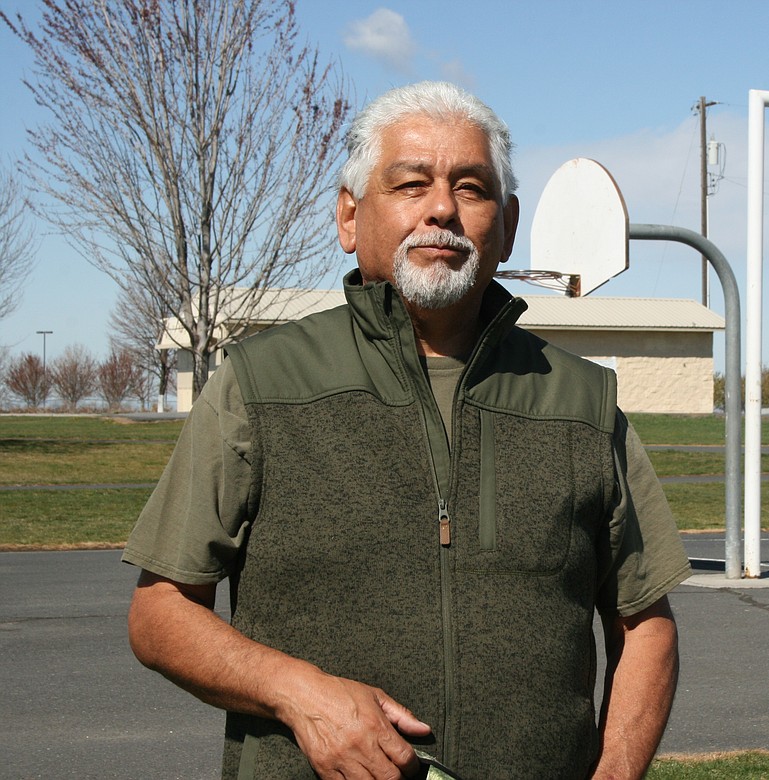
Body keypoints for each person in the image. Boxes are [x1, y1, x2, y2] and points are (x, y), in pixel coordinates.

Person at [123, 81, 692, 780]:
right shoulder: (259, 386)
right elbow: (159, 616)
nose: (442, 208)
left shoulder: (582, 401)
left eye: (472, 188)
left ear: (507, 225)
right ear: (349, 217)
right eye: (410, 184)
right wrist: (301, 695)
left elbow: (645, 625)